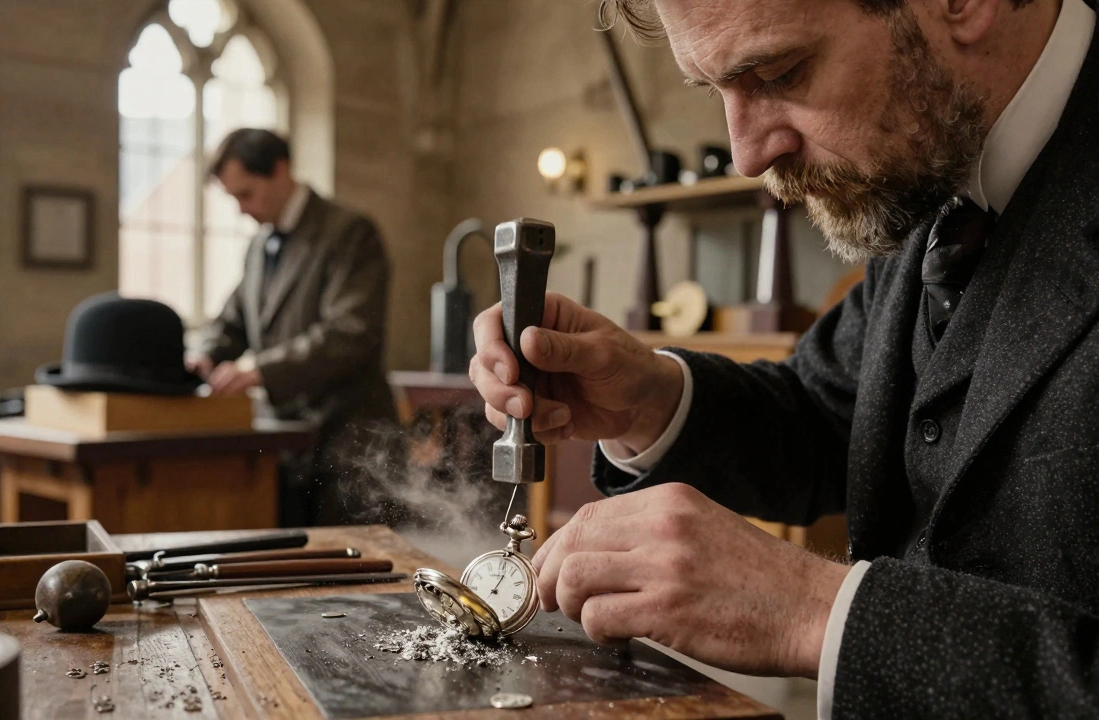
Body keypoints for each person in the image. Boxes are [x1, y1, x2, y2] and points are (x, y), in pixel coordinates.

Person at [470, 0, 1099, 716]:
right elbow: (835, 414)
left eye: (779, 72)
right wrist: (651, 400)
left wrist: (817, 612)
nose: (747, 155)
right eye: (715, 91)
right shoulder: (933, 157)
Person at [192, 128, 396, 526]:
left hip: (349, 441)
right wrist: (205, 353)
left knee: (354, 576)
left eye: (245, 194)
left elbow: (350, 332)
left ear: (280, 171)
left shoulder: (349, 231)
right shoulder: (258, 246)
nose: (240, 210)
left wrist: (260, 371)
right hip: (285, 440)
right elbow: (235, 319)